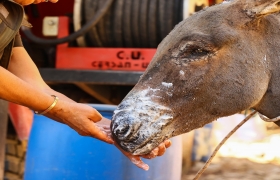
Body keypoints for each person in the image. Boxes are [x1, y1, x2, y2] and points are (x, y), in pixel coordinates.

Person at [0, 0, 171, 171]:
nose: (53, 1)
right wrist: (61, 110)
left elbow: (38, 87)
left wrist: (114, 131)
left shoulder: (10, 12)